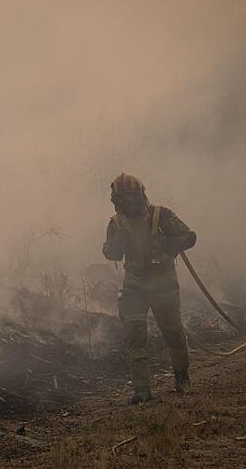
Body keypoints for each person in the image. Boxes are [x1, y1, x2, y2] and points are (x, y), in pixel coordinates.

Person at [103, 172, 196, 404]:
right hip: (133, 284)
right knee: (134, 336)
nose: (127, 204)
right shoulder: (116, 223)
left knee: (173, 332)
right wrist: (117, 242)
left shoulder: (160, 215)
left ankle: (182, 376)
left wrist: (166, 244)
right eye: (121, 200)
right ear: (115, 201)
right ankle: (142, 390)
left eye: (131, 198)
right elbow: (110, 253)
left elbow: (189, 236)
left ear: (142, 196)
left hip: (163, 283)